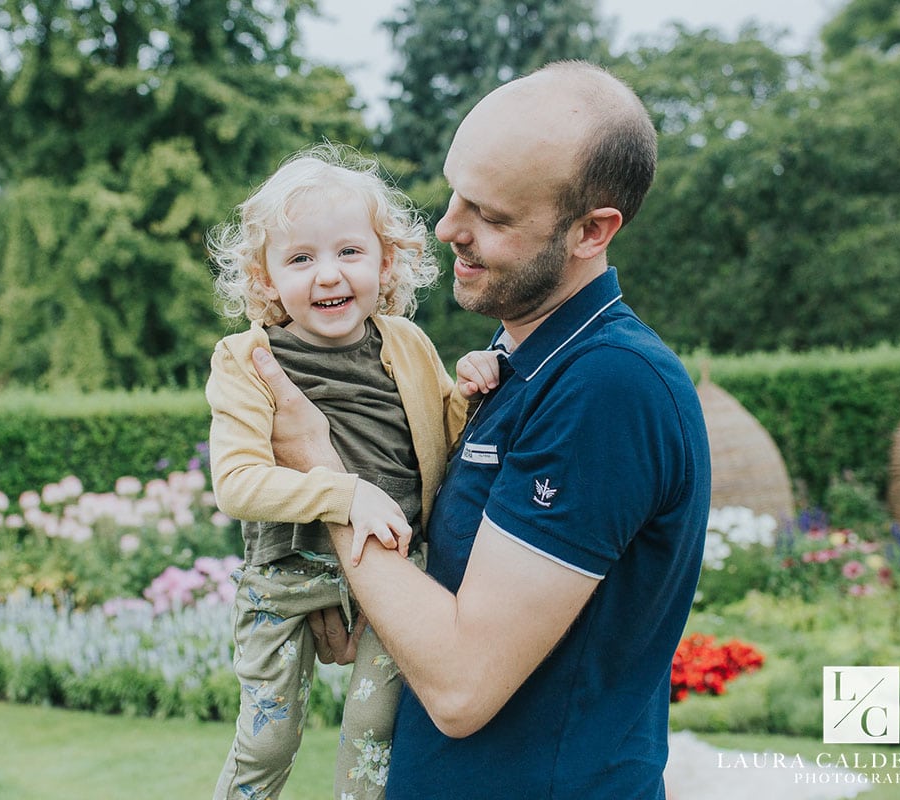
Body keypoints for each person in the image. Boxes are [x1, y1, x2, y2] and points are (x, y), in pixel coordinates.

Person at [249, 61, 712, 799]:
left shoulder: (608, 386)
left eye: (492, 217)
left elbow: (464, 686)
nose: (447, 228)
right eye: (456, 191)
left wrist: (320, 473)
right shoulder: (506, 364)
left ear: (592, 231)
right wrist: (360, 602)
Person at [204, 144, 499, 800]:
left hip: (394, 574)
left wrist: (471, 391)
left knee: (374, 732)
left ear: (385, 260)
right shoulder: (246, 359)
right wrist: (345, 494)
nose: (328, 275)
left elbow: (440, 438)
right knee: (266, 741)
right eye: (301, 258)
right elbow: (237, 483)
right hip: (283, 583)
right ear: (265, 278)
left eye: (348, 252)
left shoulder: (408, 345)